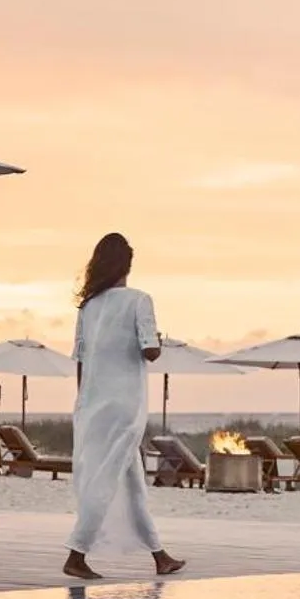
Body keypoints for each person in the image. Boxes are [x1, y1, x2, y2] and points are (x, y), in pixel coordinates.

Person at [65, 233, 185, 580]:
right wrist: (158, 341)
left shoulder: (88, 307)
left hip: (91, 404)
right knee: (104, 479)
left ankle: (160, 556)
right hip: (125, 405)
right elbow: (150, 350)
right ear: (127, 265)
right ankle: (76, 552)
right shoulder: (139, 300)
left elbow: (81, 361)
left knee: (131, 480)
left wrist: (83, 403)